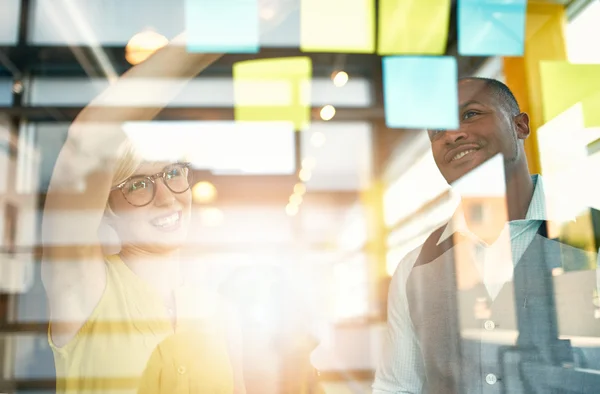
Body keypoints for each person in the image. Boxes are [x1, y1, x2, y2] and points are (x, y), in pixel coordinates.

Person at [41, 34, 246, 394]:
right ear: (107, 210)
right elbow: (87, 143)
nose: (167, 198)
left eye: (173, 173)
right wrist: (218, 26)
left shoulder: (221, 314)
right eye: (137, 184)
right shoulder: (84, 289)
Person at [373, 78, 599, 393]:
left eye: (470, 115)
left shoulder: (592, 242)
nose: (451, 135)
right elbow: (396, 387)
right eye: (437, 132)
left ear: (520, 126)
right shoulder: (414, 270)